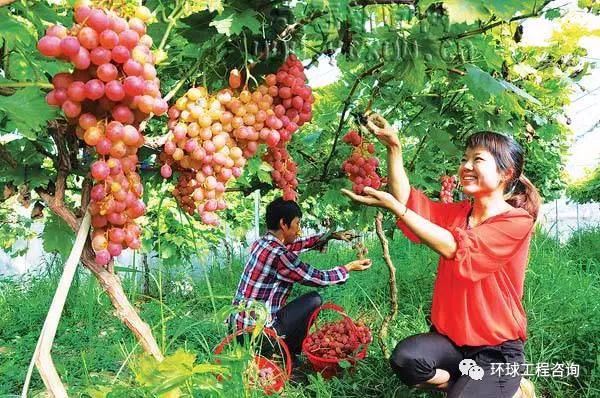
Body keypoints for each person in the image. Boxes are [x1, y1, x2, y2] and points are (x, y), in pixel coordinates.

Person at [342, 113, 541, 398]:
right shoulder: (458, 214)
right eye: (464, 159)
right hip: (453, 342)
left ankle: (508, 386)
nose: (466, 166)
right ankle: (467, 381)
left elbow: (455, 247)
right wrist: (393, 148)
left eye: (478, 160)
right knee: (406, 359)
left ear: (505, 173)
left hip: (496, 351)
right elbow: (408, 201)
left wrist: (398, 210)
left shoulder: (516, 221)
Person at [228, 196, 372, 362]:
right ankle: (287, 355)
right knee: (314, 300)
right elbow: (317, 277)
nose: (299, 229)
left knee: (305, 302)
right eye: (297, 223)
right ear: (283, 223)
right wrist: (348, 268)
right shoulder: (280, 256)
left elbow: (296, 244)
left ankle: (280, 350)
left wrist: (330, 236)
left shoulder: (262, 243)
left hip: (238, 331)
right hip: (258, 336)